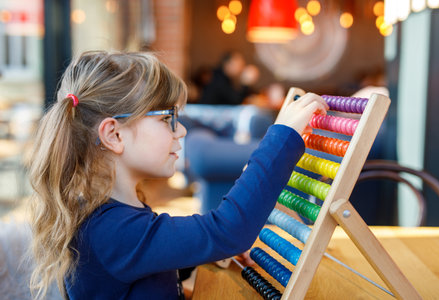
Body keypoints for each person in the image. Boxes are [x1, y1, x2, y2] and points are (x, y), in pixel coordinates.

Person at [27, 51, 328, 300]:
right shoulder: (110, 231)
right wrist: (282, 136)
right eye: (168, 118)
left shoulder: (112, 216)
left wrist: (197, 254)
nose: (181, 130)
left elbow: (144, 275)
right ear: (114, 134)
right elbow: (227, 230)